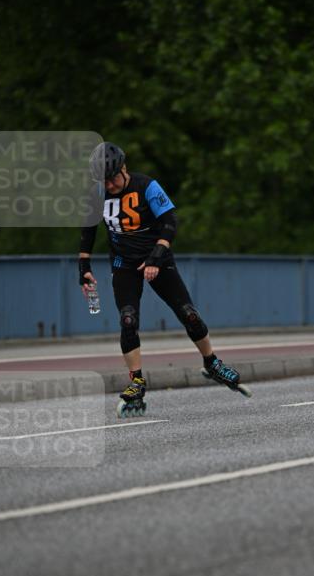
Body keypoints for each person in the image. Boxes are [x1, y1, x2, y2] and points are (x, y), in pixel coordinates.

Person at [79, 141, 243, 407]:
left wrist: (156, 256)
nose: (108, 186)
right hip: (124, 264)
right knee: (128, 319)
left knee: (189, 313)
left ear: (124, 168)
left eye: (111, 180)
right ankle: (136, 382)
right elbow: (88, 231)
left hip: (158, 258)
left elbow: (170, 223)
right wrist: (83, 268)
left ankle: (212, 363)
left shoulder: (147, 186)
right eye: (103, 182)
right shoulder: (97, 194)